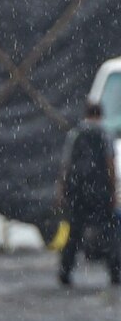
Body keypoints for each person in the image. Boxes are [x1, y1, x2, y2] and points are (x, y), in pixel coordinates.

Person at [56, 100, 118, 287]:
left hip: (78, 191)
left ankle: (65, 272)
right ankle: (115, 272)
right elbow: (110, 164)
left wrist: (62, 190)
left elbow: (66, 165)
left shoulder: (75, 134)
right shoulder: (104, 134)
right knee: (109, 232)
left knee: (74, 233)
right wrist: (113, 190)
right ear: (100, 115)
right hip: (100, 192)